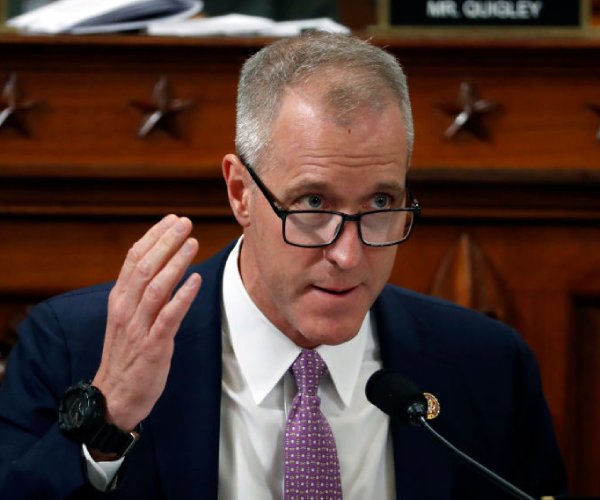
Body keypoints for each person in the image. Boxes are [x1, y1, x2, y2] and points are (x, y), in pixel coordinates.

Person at [0, 33, 566, 499]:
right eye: (314, 205)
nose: (349, 257)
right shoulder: (76, 346)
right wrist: (111, 421)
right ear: (241, 191)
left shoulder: (487, 366)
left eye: (380, 204)